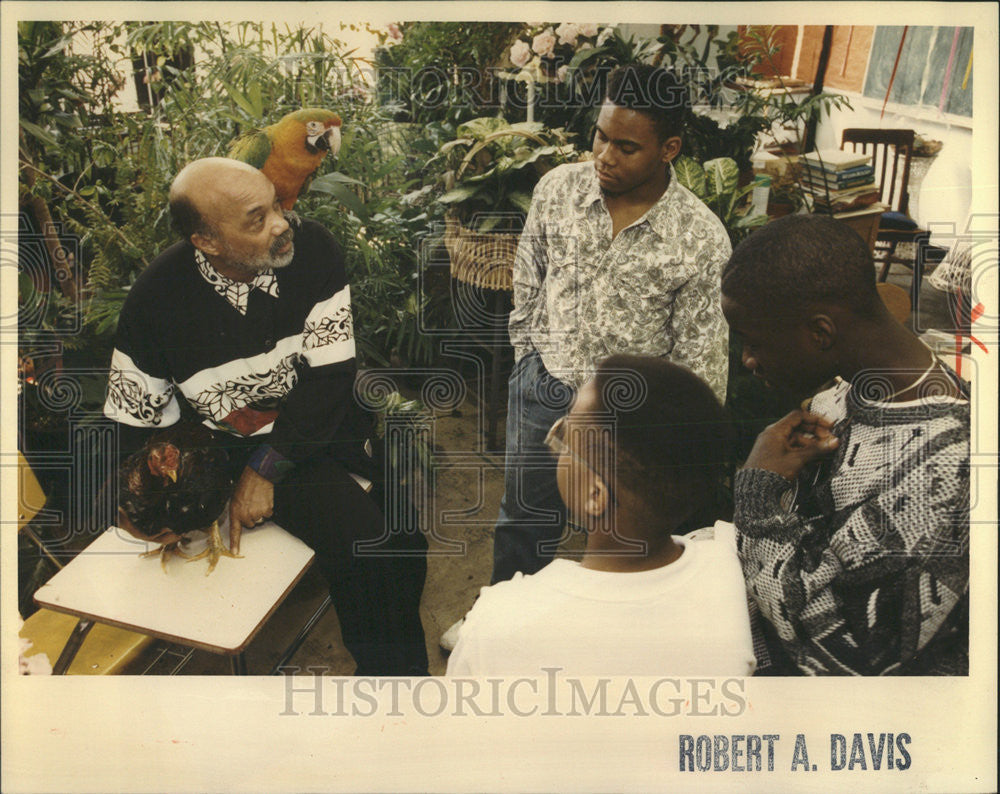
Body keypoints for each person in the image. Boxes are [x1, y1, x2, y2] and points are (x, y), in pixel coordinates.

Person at [103, 157, 428, 675]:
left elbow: (329, 376)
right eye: (257, 218)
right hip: (225, 452)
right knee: (370, 547)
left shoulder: (313, 249)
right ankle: (396, 687)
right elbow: (136, 419)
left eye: (276, 204)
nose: (281, 223)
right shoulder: (155, 300)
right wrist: (147, 502)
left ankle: (399, 678)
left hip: (317, 428)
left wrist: (267, 467)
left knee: (404, 544)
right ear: (206, 241)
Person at [493, 64, 732, 589]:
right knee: (523, 521)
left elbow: (702, 363)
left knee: (625, 538)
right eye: (600, 136)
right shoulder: (557, 190)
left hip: (632, 419)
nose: (604, 156)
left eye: (626, 147)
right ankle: (498, 613)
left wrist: (667, 440)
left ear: (668, 149)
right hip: (543, 386)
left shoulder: (700, 238)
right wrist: (526, 357)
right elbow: (527, 279)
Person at [721, 213, 970, 675]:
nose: (749, 360)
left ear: (820, 334)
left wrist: (756, 495)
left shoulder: (950, 473)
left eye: (754, 342)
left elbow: (844, 659)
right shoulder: (839, 394)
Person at [446, 354, 755, 676]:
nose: (555, 437)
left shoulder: (499, 623)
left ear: (596, 495)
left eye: (566, 435)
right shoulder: (724, 567)